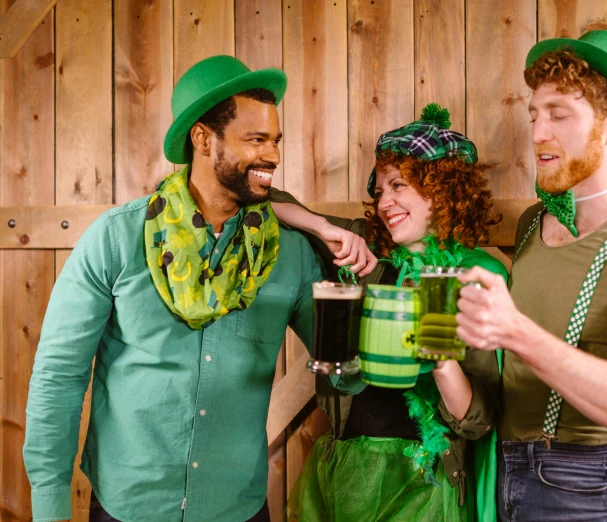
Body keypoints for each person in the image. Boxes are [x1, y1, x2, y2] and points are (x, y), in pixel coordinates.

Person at [23, 55, 372, 522]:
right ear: (203, 139)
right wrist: (50, 507)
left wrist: (369, 312)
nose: (272, 155)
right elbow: (58, 378)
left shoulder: (290, 254)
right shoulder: (116, 239)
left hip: (238, 507)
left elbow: (345, 372)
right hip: (128, 505)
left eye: (275, 140)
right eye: (256, 139)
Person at [454, 30, 607, 522]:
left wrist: (515, 332)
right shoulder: (532, 226)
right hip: (495, 470)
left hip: (575, 487)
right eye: (535, 115)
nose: (538, 133)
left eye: (559, 114)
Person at [270, 104, 506, 521]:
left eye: (399, 186)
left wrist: (440, 359)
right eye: (379, 191)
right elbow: (267, 201)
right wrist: (323, 228)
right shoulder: (365, 250)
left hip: (421, 482)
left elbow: (480, 420)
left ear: (441, 189)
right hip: (343, 470)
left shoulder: (475, 275)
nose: (384, 202)